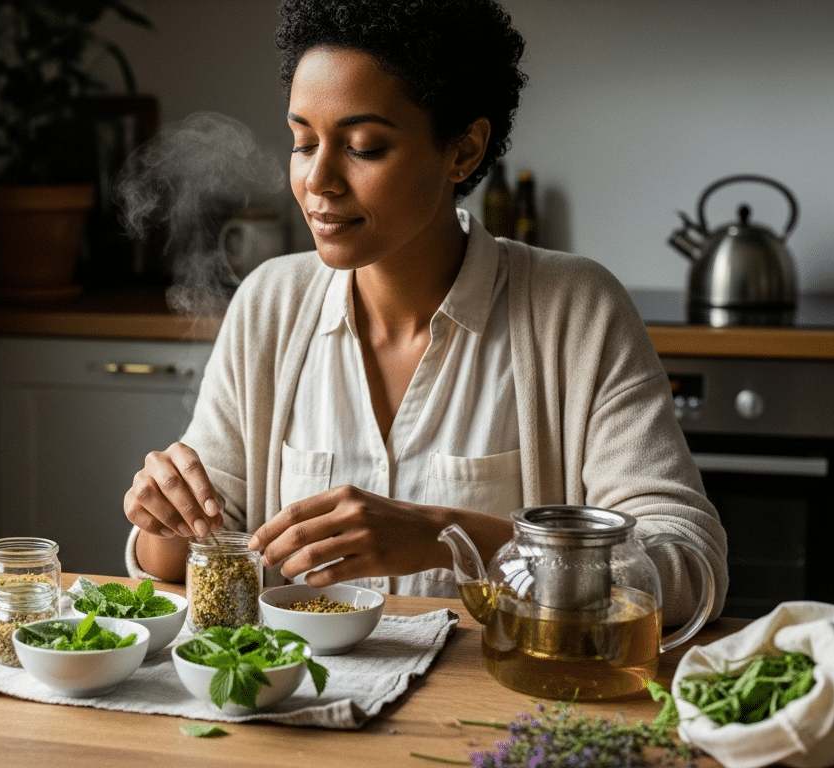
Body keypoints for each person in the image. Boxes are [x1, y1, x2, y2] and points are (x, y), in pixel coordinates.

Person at [122, 0, 727, 625]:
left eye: (363, 147)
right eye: (304, 141)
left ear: (462, 151)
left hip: (503, 708)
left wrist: (450, 537)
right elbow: (196, 557)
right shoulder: (270, 303)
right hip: (298, 708)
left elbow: (687, 570)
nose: (318, 179)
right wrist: (165, 520)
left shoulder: (576, 312)